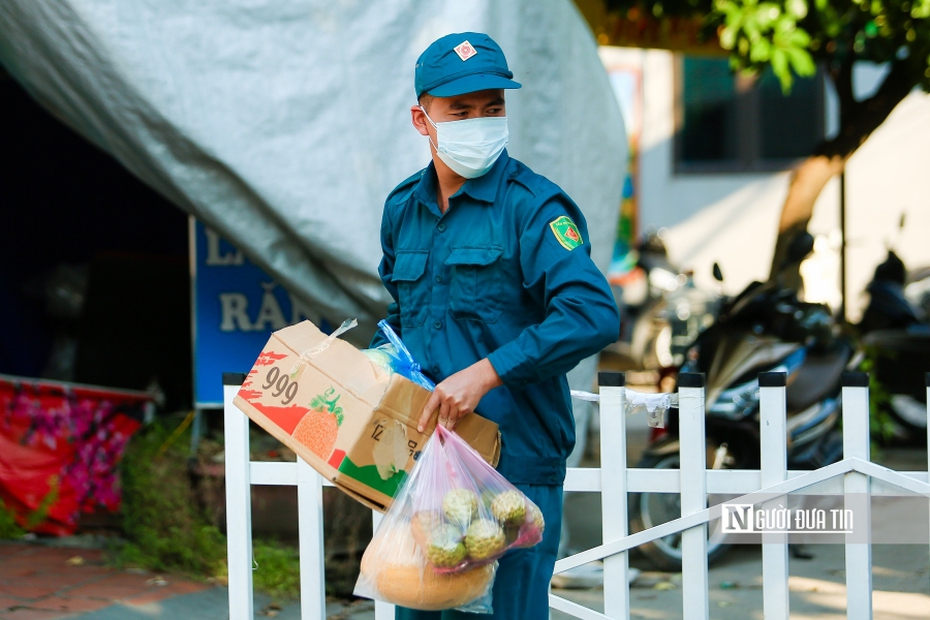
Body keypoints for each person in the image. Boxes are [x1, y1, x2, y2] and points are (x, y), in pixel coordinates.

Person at [371, 31, 620, 620]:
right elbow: (404, 317)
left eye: (493, 108)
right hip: (430, 467)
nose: (479, 122)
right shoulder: (403, 209)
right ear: (421, 118)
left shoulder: (533, 208)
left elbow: (592, 314)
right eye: (460, 110)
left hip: (515, 464)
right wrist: (378, 369)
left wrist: (486, 373)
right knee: (419, 610)